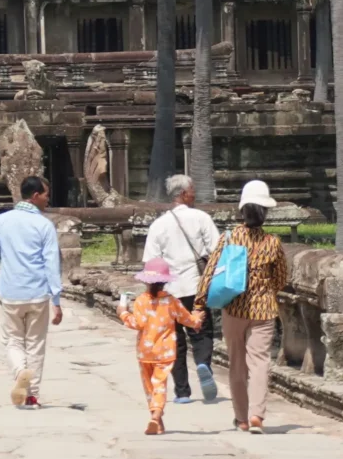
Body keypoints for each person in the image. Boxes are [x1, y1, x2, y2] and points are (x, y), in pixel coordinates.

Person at [208, 179, 290, 433]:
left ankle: (241, 418)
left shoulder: (229, 238)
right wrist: (264, 290)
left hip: (234, 308)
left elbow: (211, 272)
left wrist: (200, 304)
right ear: (265, 212)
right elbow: (281, 278)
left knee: (236, 364)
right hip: (264, 310)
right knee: (260, 362)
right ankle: (257, 415)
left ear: (242, 210)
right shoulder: (273, 242)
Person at [0, 173, 63, 408]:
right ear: (35, 196)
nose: (48, 199)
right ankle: (31, 395)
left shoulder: (2, 221)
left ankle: (19, 371)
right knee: (35, 345)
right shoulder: (44, 225)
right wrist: (56, 300)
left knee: (13, 341)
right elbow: (51, 264)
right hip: (38, 293)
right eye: (46, 195)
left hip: (10, 293)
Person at [141, 173, 221, 404]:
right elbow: (217, 250)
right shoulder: (201, 218)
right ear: (185, 194)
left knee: (174, 339)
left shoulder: (158, 225)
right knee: (201, 332)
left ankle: (183, 392)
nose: (194, 194)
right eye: (192, 190)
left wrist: (152, 295)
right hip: (197, 286)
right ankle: (203, 363)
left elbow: (150, 262)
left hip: (169, 290)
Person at [117, 255, 202, 434]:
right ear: (165, 281)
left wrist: (123, 313)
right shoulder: (171, 301)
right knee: (160, 384)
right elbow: (186, 319)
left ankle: (156, 417)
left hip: (145, 352)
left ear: (146, 281)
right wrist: (197, 320)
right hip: (165, 352)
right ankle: (157, 417)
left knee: (149, 386)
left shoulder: (141, 301)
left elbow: (137, 323)